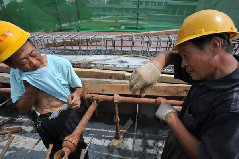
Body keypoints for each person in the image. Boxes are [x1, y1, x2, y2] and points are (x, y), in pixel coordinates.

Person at [129, 10, 239, 158]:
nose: (183, 64)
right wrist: (156, 65)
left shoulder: (232, 106)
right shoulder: (211, 70)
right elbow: (171, 56)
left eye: (186, 55)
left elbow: (205, 155)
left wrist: (171, 117)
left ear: (214, 45)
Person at [0, 21, 88, 159]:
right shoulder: (16, 75)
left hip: (67, 116)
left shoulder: (60, 63)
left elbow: (79, 85)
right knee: (53, 150)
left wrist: (77, 95)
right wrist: (31, 90)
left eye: (33, 54)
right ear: (11, 65)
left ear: (35, 45)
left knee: (77, 149)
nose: (34, 62)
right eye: (23, 63)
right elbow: (22, 109)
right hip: (42, 121)